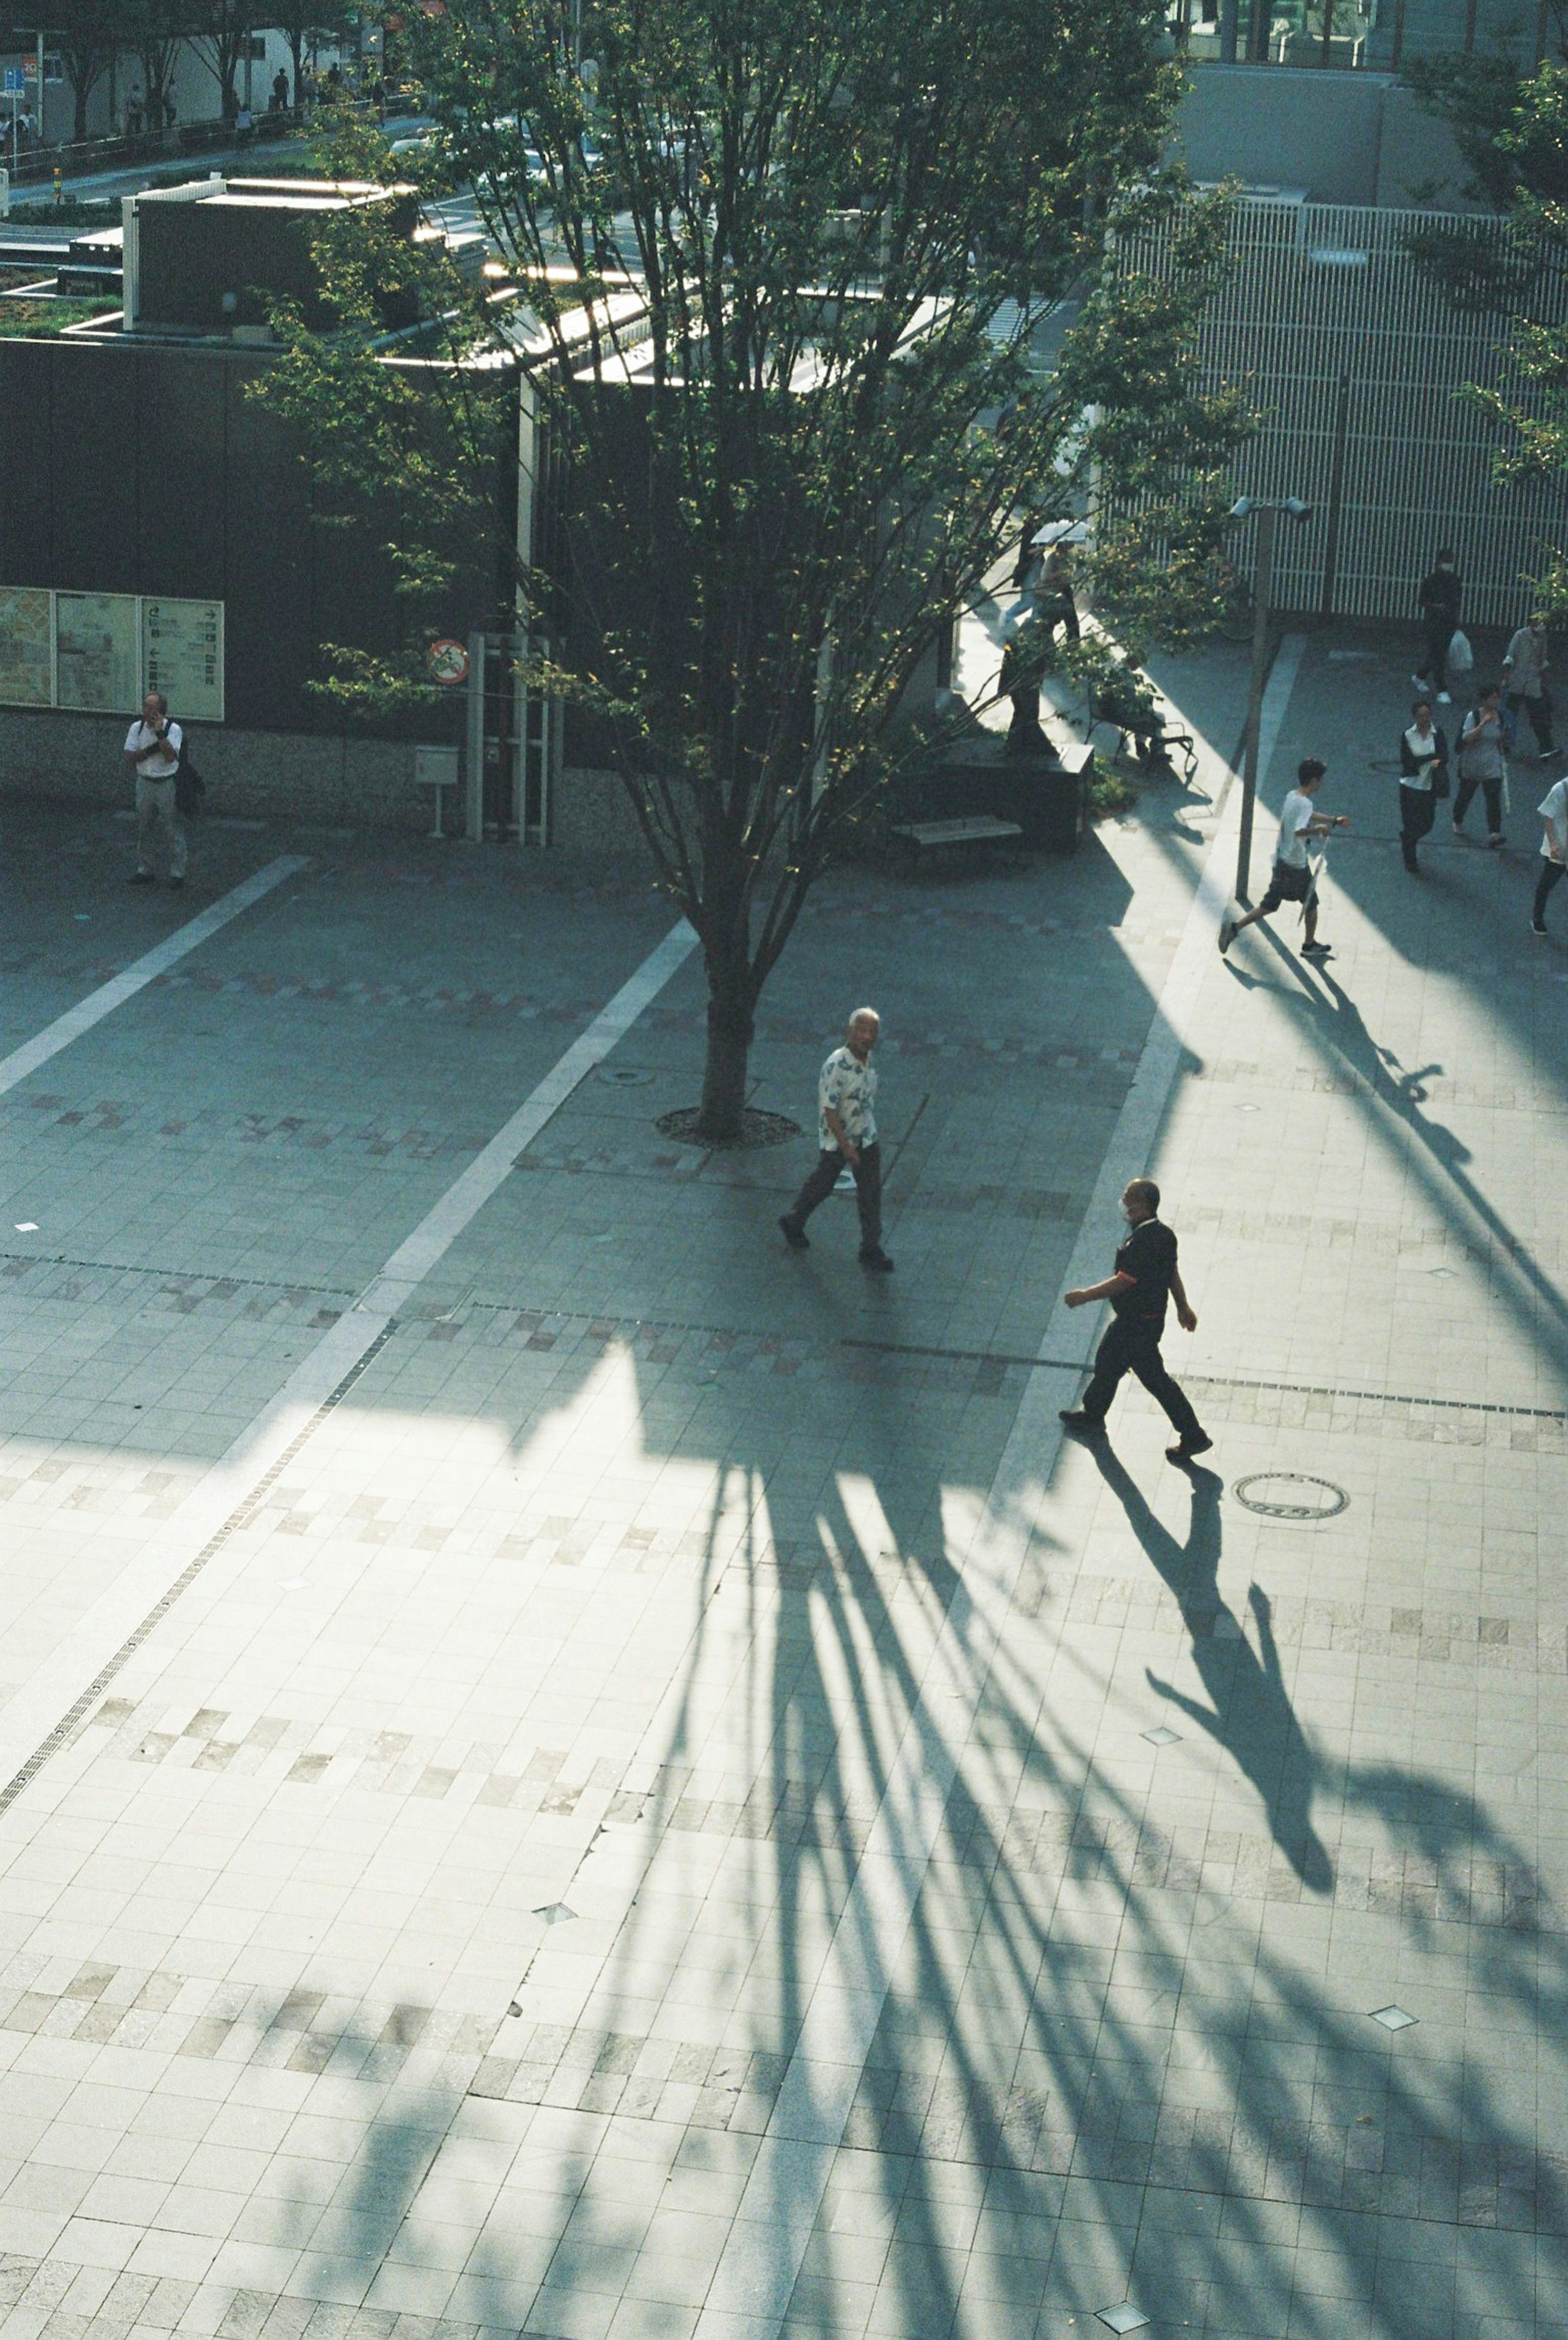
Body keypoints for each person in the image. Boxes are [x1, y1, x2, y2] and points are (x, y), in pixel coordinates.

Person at [1059, 1178, 1212, 1464]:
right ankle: (1093, 1414)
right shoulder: (1165, 1235)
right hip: (1144, 1321)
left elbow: (1124, 1281)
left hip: (1137, 1325)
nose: (1123, 1203)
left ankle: (1193, 1434)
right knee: (1108, 1362)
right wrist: (1182, 1306)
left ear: (1142, 1205)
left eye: (1128, 1199)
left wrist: (1085, 1296)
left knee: (1155, 1380)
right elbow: (1171, 1273)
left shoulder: (1141, 1242)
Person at [778, 1008, 893, 1271]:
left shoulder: (868, 1060)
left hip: (865, 1135)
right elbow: (829, 1110)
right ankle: (794, 1220)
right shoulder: (836, 1066)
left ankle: (871, 1247)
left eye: (872, 1032)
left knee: (871, 1192)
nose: (867, 1037)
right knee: (823, 1184)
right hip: (839, 1138)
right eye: (861, 1031)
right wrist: (846, 1147)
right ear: (850, 1033)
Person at [1218, 758, 1348, 960]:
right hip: (1296, 865)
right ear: (1314, 780)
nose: (1321, 783)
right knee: (1309, 903)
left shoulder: (1293, 797)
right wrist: (1319, 829)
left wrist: (1332, 820)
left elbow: (1307, 815)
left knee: (1272, 904)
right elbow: (1299, 830)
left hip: (1283, 860)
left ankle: (1236, 928)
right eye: (1320, 780)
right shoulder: (1305, 803)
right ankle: (1308, 944)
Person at [124, 691, 187, 886]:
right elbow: (130, 757)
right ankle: (145, 868)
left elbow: (170, 756)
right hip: (145, 782)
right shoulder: (137, 728)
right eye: (146, 706)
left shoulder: (173, 729)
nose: (147, 710)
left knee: (172, 828)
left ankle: (178, 872)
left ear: (161, 711)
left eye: (152, 707)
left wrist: (160, 734)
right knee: (145, 827)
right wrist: (154, 749)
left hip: (167, 783)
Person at [1453, 684, 1507, 849]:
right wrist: (1483, 724)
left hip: (1492, 764)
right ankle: (1458, 819)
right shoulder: (1474, 716)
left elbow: (1501, 741)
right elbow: (1466, 738)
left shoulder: (1501, 717)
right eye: (1493, 698)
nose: (1496, 701)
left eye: (1498, 698)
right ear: (1484, 700)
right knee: (1466, 795)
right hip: (1473, 763)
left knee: (1493, 799)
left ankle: (1494, 833)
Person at [1398, 699, 1447, 876]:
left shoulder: (1437, 733)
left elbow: (1444, 756)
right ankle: (1410, 858)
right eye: (1421, 716)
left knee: (1427, 823)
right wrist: (1430, 758)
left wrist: (1434, 760)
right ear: (1415, 717)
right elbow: (1409, 762)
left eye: (1427, 715)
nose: (1425, 719)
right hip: (1411, 786)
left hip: (1429, 786)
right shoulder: (1408, 736)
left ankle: (1408, 840)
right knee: (1411, 823)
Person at [1501, 615, 1556, 759]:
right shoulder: (1520, 635)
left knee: (1538, 716)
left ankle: (1546, 748)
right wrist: (1507, 678)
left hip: (1532, 682)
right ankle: (1503, 745)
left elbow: (1543, 660)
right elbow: (1510, 657)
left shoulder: (1543, 638)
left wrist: (1544, 682)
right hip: (1517, 681)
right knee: (1509, 716)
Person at [1414, 548, 1461, 706]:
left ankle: (1420, 676)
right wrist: (1436, 606)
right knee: (1439, 655)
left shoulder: (1455, 581)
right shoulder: (1431, 581)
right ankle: (1442, 689)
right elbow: (1422, 601)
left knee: (1437, 653)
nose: (1448, 564)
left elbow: (1456, 603)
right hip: (1434, 622)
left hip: (1447, 623)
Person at [1532, 771, 1568, 935]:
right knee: (1546, 886)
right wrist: (1553, 843)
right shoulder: (1561, 790)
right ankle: (1537, 918)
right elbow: (1548, 817)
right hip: (1559, 849)